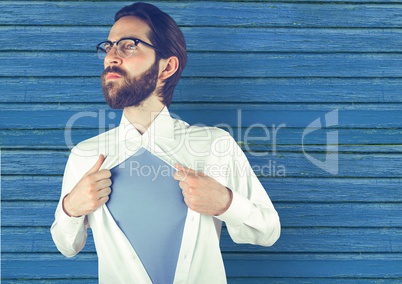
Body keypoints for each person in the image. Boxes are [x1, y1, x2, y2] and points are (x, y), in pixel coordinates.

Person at [51, 2, 280, 283]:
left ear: (167, 67)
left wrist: (225, 203)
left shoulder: (214, 145)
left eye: (129, 45)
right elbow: (66, 245)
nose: (111, 57)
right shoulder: (85, 155)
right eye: (108, 46)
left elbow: (268, 231)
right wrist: (70, 208)